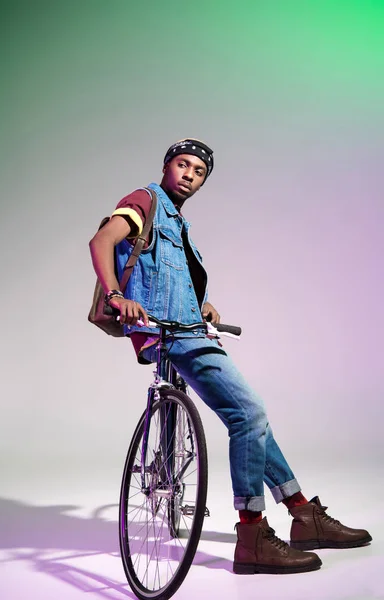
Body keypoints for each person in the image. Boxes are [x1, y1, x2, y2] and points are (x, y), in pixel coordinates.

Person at [89, 138, 372, 575]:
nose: (189, 175)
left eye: (199, 172)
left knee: (251, 421)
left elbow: (166, 275)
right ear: (166, 167)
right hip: (170, 333)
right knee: (250, 415)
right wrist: (114, 294)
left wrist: (199, 303)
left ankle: (302, 514)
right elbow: (102, 239)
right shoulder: (143, 201)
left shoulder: (176, 222)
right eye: (183, 165)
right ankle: (253, 535)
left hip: (186, 327)